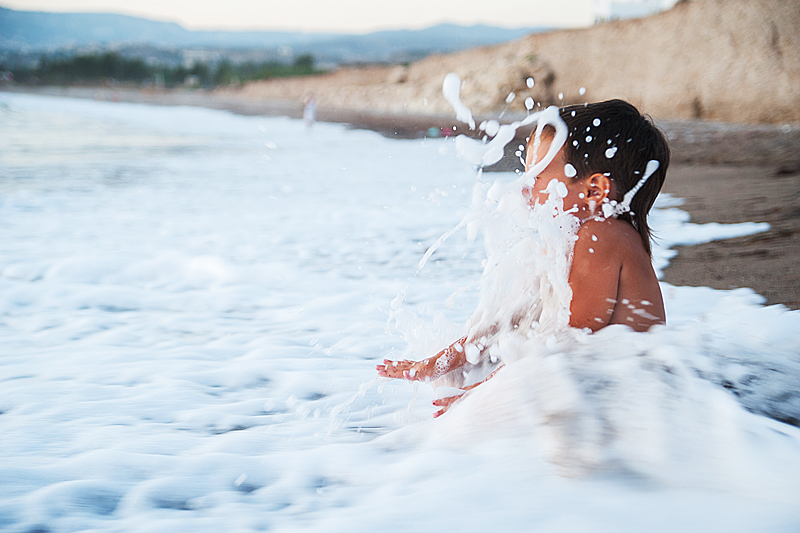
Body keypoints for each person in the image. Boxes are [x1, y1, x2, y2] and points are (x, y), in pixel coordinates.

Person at [376, 99, 671, 417]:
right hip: (603, 402)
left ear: (594, 190)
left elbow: (565, 343)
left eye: (537, 176)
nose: (522, 188)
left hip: (633, 409)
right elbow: (509, 322)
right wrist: (439, 363)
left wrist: (477, 395)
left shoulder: (603, 236)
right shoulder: (565, 243)